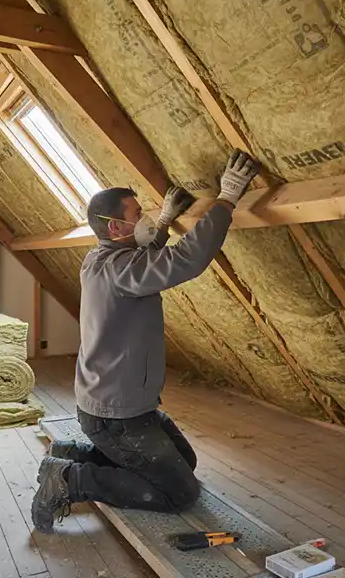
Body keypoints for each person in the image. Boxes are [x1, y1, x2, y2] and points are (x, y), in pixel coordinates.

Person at [31, 149, 261, 533]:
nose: (147, 219)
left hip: (118, 406)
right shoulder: (123, 269)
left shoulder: (98, 259)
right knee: (178, 494)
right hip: (115, 416)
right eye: (139, 215)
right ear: (117, 228)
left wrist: (166, 220)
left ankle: (72, 453)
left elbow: (141, 262)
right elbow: (184, 259)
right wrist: (227, 198)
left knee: (183, 462)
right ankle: (70, 480)